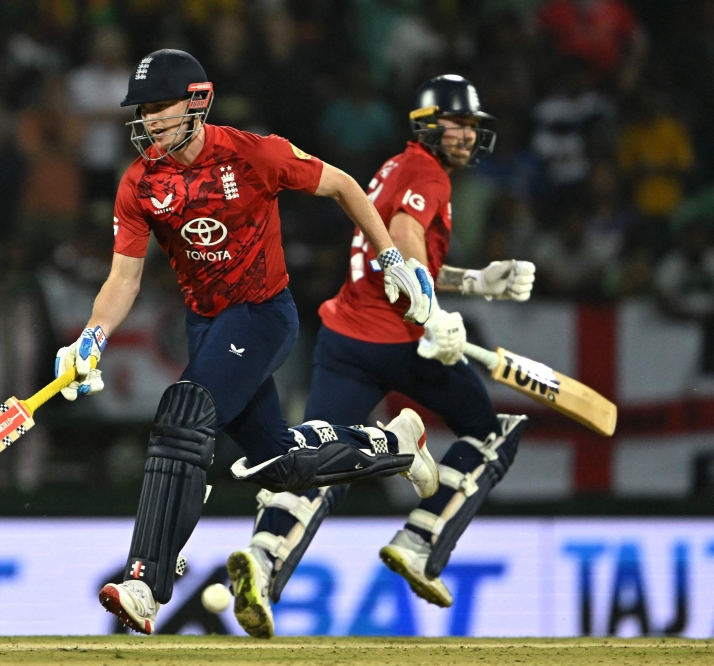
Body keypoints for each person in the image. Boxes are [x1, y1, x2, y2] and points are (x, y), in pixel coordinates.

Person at [53, 49, 437, 635]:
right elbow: (123, 278)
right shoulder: (139, 182)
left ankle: (146, 581)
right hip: (208, 325)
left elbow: (345, 186)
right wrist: (90, 339)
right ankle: (396, 447)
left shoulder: (252, 152)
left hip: (261, 315)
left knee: (183, 413)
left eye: (161, 106)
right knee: (277, 464)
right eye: (144, 109)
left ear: (197, 100)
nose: (150, 120)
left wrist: (388, 258)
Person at [224, 75, 538, 639]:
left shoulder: (396, 167)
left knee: (322, 456)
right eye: (458, 123)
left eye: (472, 126)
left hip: (344, 338)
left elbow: (391, 253)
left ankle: (264, 558)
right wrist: (429, 314)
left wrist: (476, 282)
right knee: (489, 431)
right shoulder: (427, 172)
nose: (468, 135)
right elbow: (404, 233)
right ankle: (417, 541)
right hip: (398, 339)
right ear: (429, 124)